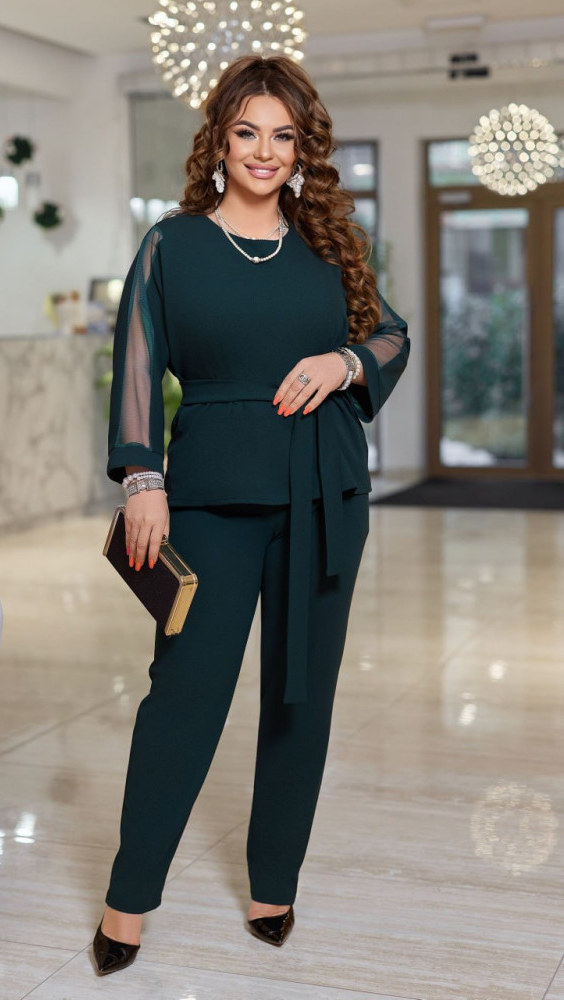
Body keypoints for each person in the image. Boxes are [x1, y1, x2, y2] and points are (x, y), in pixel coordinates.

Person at [93, 53, 410, 976]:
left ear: (301, 148)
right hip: (207, 499)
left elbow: (391, 334)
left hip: (325, 494)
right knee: (183, 694)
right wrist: (142, 479)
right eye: (247, 133)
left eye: (283, 136)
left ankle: (275, 883)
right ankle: (127, 899)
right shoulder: (172, 244)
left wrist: (343, 363)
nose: (265, 151)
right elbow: (137, 361)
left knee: (301, 695)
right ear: (220, 142)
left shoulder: (328, 244)